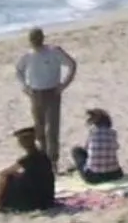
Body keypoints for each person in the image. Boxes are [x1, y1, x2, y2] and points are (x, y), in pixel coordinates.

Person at [14, 28, 79, 163]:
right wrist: (25, 87)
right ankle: (42, 158)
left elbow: (72, 64)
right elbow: (18, 70)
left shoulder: (54, 51)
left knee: (52, 129)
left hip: (52, 92)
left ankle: (53, 160)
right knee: (39, 128)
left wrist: (64, 84)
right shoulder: (28, 55)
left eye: (37, 38)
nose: (35, 41)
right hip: (35, 93)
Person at [0, 126, 58, 214]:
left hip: (34, 202)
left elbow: (5, 172)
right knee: (14, 176)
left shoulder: (27, 160)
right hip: (47, 200)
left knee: (6, 178)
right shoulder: (43, 156)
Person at [71, 107, 124, 184]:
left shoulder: (92, 133)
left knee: (76, 150)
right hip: (114, 175)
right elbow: (116, 147)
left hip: (94, 177)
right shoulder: (113, 133)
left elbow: (87, 149)